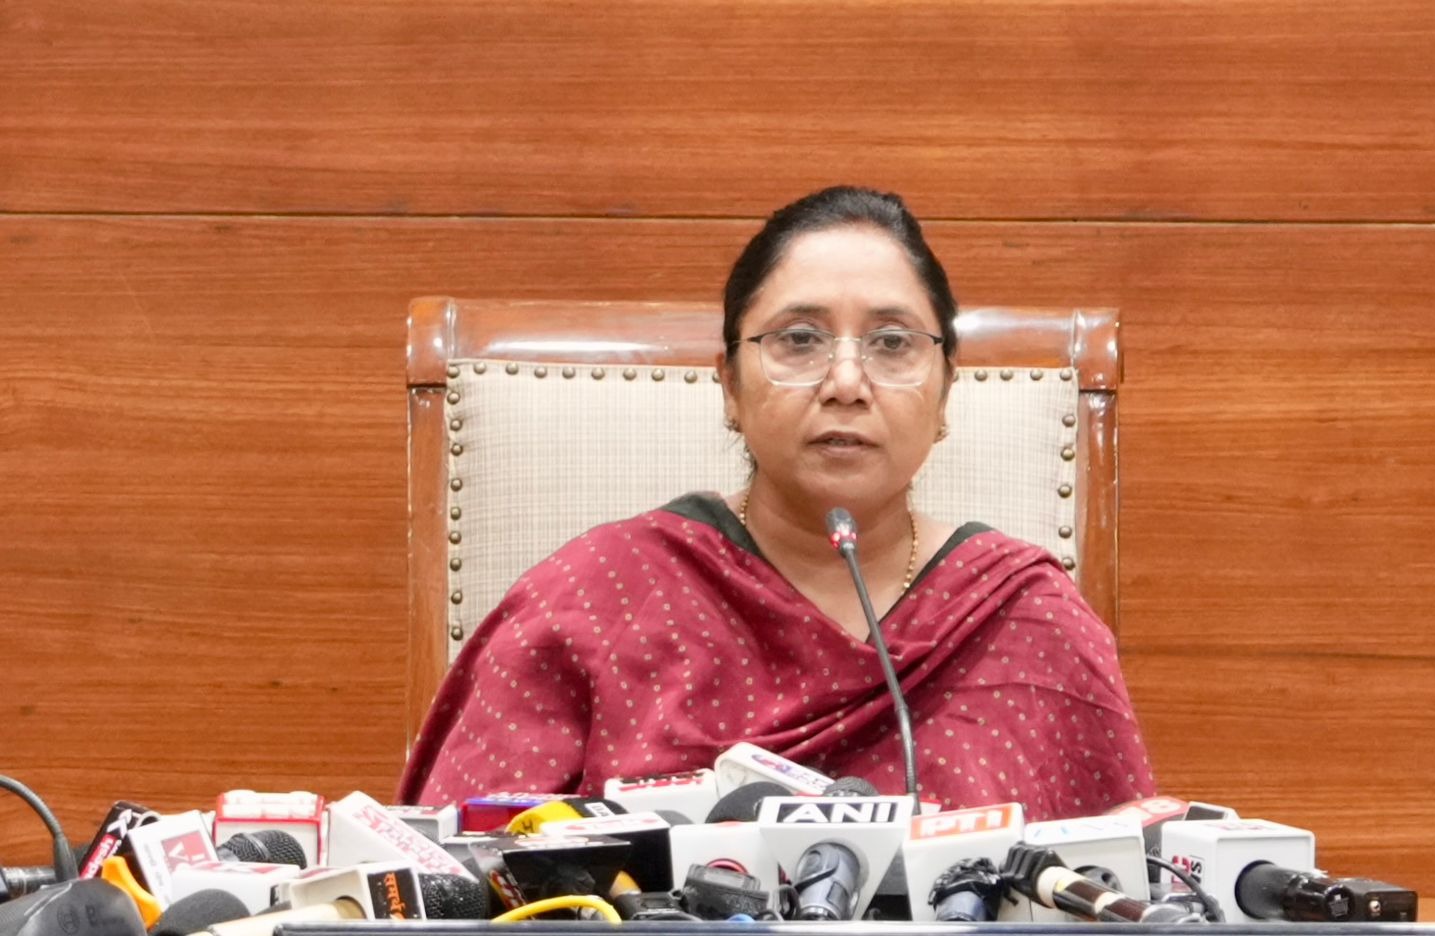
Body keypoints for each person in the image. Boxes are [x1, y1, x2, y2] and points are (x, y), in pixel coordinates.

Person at [398, 186, 1155, 817]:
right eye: (799, 340)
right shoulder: (592, 599)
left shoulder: (1029, 620)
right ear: (729, 386)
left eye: (893, 344)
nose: (847, 383)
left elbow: (1125, 892)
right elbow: (447, 884)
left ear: (945, 394)